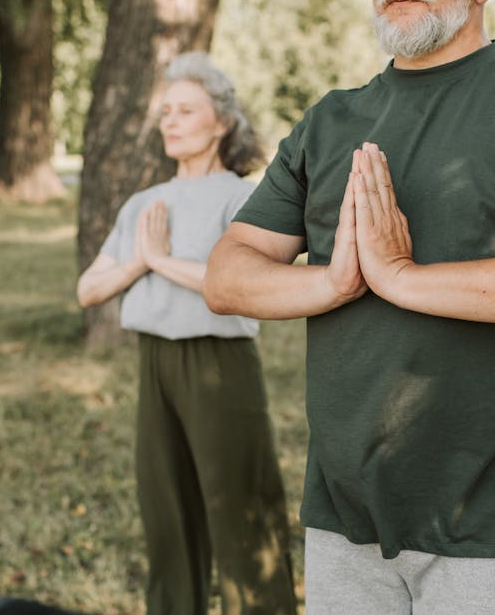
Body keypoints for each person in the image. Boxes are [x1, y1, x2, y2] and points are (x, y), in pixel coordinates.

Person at [202, 0, 495, 613]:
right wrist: (332, 282)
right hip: (342, 516)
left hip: (490, 520)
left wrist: (402, 279)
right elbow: (226, 275)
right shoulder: (328, 121)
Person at [76, 53, 297, 615]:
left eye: (185, 110)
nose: (169, 121)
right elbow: (89, 289)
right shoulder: (142, 203)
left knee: (241, 509)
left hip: (219, 365)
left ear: (221, 121)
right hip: (155, 365)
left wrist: (158, 260)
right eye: (166, 111)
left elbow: (242, 284)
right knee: (165, 510)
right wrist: (141, 261)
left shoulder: (243, 198)